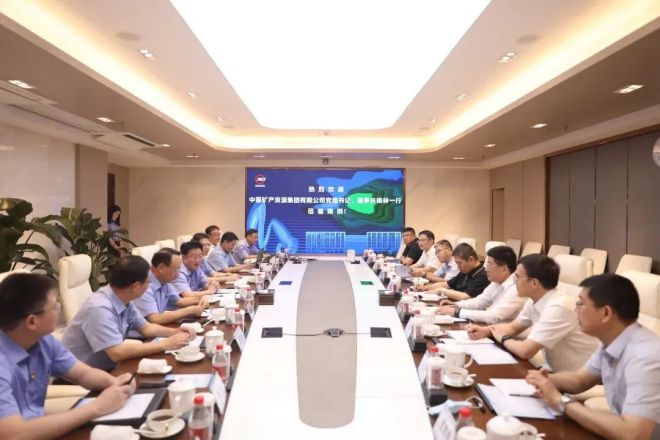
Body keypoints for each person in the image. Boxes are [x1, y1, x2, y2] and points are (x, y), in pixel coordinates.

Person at [0, 273, 136, 440]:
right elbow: (13, 434)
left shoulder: (43, 341)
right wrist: (97, 407)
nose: (59, 309)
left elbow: (83, 374)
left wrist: (115, 383)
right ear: (32, 322)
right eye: (54, 306)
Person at [526, 274, 660, 439]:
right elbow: (580, 380)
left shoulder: (646, 356)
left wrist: (561, 402)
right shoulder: (612, 341)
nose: (576, 310)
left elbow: (633, 434)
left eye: (580, 304)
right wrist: (545, 380)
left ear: (606, 313)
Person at [468, 254, 599, 372]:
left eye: (517, 277)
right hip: (553, 370)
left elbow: (525, 351)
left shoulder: (559, 307)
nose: (513, 281)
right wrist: (486, 331)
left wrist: (503, 338)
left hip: (580, 378)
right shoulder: (534, 300)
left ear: (534, 283)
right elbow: (513, 327)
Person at [62, 256, 195, 371]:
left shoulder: (123, 298)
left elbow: (146, 328)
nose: (149, 286)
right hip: (79, 378)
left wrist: (175, 332)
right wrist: (164, 345)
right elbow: (116, 352)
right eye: (148, 282)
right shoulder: (99, 308)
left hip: (106, 368)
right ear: (136, 286)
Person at [435, 246, 527, 324]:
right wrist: (456, 305)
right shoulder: (496, 282)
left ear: (503, 269)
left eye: (489, 264)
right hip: (491, 329)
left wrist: (457, 312)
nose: (486, 268)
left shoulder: (516, 288)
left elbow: (494, 316)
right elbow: (480, 301)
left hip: (505, 335)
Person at [132, 248, 209, 325]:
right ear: (161, 267)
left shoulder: (164, 281)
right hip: (145, 331)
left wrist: (200, 299)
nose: (178, 274)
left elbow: (179, 301)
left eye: (179, 269)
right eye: (175, 270)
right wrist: (189, 310)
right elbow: (155, 319)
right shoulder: (144, 285)